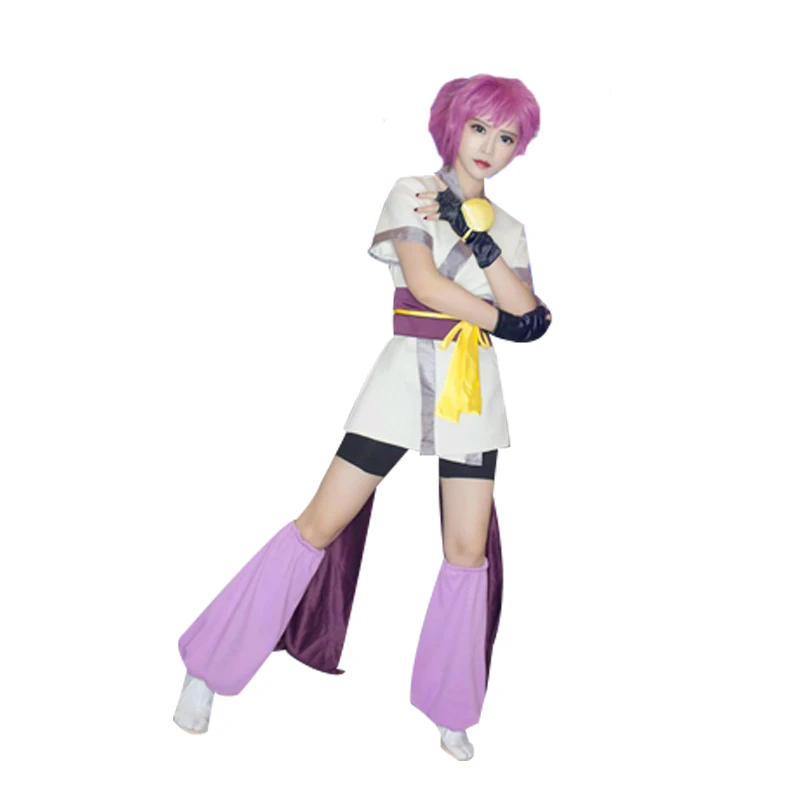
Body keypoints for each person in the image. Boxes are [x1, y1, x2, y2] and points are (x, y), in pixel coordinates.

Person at [173, 74, 552, 762]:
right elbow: (429, 286)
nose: (490, 146)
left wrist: (488, 250)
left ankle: (451, 707)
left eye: (506, 137)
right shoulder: (413, 192)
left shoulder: (511, 229)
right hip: (402, 382)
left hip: (473, 393)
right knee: (319, 524)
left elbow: (531, 306)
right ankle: (209, 667)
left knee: (467, 551)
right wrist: (507, 320)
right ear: (453, 126)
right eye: (479, 128)